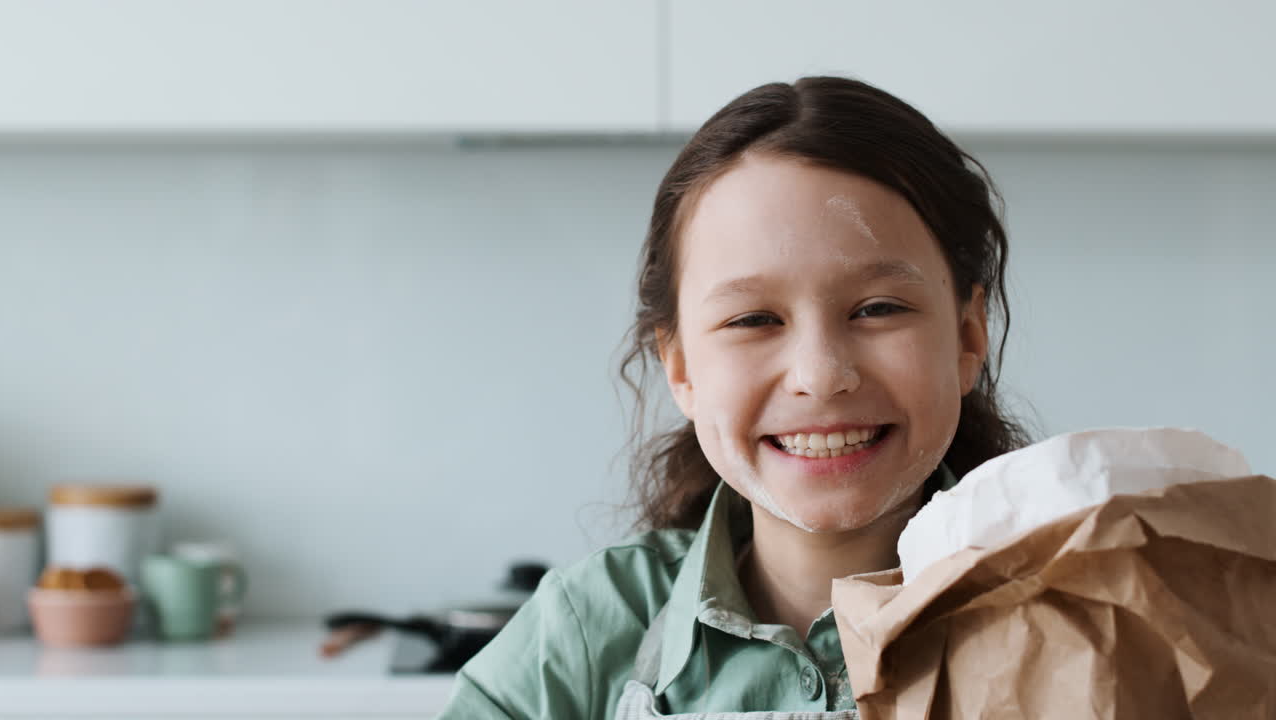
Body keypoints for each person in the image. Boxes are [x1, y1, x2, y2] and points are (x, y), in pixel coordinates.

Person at [436, 76, 1031, 719]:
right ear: (682, 366)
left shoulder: (1083, 603)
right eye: (753, 320)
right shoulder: (581, 636)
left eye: (878, 308)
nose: (821, 374)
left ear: (969, 336)